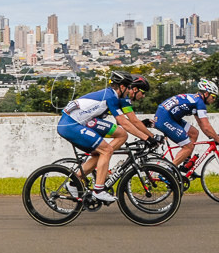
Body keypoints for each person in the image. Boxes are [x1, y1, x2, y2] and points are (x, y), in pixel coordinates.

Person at [57, 72, 156, 203]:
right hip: (71, 125)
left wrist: (146, 135)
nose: (128, 92)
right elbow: (124, 122)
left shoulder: (110, 94)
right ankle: (99, 190)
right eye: (128, 88)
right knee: (107, 150)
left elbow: (124, 123)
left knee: (112, 143)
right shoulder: (111, 97)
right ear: (122, 87)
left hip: (78, 122)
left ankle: (74, 182)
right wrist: (147, 138)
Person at [154, 78, 219, 176]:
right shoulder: (199, 103)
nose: (214, 99)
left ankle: (186, 165)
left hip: (169, 116)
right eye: (213, 96)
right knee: (188, 147)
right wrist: (217, 138)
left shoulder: (196, 99)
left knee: (194, 133)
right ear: (206, 94)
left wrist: (211, 136)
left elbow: (201, 124)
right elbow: (206, 126)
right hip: (165, 118)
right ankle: (168, 173)